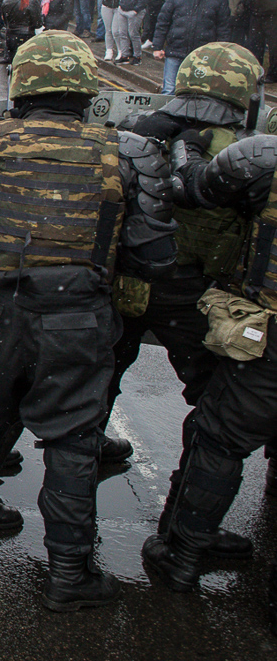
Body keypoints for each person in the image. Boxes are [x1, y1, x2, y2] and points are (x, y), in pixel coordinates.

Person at [0, 31, 178, 612]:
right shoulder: (130, 153)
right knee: (74, 443)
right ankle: (68, 574)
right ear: (85, 88)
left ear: (23, 84)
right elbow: (155, 255)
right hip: (78, 316)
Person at [97, 44, 261, 564]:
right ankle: (187, 532)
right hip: (195, 293)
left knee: (101, 373)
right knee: (215, 411)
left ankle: (85, 452)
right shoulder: (238, 150)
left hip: (127, 279)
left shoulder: (138, 130)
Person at [152, 0, 235, 94]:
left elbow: (223, 27)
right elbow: (163, 22)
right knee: (169, 90)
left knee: (199, 92)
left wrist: (221, 52)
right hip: (175, 51)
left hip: (203, 54)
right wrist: (157, 47)